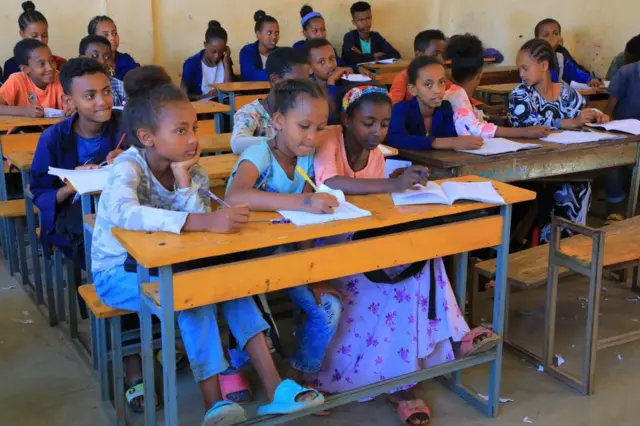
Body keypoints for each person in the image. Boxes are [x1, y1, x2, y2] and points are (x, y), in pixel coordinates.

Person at [90, 66, 324, 424]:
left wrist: (184, 180)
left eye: (194, 129)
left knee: (230, 283)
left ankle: (276, 388)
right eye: (180, 131)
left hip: (173, 266)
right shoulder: (128, 167)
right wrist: (202, 221)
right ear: (147, 137)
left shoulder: (192, 170)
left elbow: (200, 235)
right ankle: (214, 403)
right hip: (118, 274)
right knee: (192, 297)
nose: (192, 139)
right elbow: (126, 213)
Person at [311, 85, 500, 426]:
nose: (376, 131)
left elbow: (375, 200)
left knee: (425, 256)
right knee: (397, 281)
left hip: (364, 236)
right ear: (347, 119)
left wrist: (398, 181)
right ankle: (432, 359)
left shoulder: (376, 153)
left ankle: (420, 367)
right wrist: (391, 185)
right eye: (368, 123)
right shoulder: (329, 139)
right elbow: (331, 183)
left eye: (384, 124)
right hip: (331, 244)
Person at [226, 78, 343, 393]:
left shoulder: (306, 158)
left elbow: (303, 222)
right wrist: (303, 201)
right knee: (248, 315)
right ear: (278, 121)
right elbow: (235, 196)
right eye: (304, 126)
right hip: (245, 258)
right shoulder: (260, 155)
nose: (312, 136)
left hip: (286, 256)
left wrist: (311, 273)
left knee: (329, 307)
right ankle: (238, 365)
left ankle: (295, 377)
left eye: (320, 128)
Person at [510, 39, 610, 243]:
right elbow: (524, 123)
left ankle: (571, 244)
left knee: (581, 185)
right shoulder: (520, 94)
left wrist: (596, 115)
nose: (521, 74)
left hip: (569, 163)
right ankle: (548, 245)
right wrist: (567, 122)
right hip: (535, 167)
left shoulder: (566, 91)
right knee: (562, 189)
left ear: (544, 65)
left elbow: (581, 110)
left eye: (525, 68)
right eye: (519, 68)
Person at [30, 58, 123, 259]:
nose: (102, 101)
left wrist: (132, 159)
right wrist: (71, 186)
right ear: (69, 101)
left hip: (122, 207)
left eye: (106, 91)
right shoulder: (53, 139)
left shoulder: (125, 126)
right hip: (73, 216)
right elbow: (39, 193)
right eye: (90, 96)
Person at [444, 33, 551, 139]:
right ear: (480, 74)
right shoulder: (458, 95)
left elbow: (469, 120)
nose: (522, 74)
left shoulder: (456, 93)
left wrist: (489, 115)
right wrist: (524, 131)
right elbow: (474, 129)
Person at [387, 56, 483, 151]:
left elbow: (449, 137)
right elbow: (394, 139)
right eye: (428, 84)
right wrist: (450, 142)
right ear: (413, 89)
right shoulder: (401, 109)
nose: (437, 90)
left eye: (441, 82)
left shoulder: (445, 108)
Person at [231, 47, 310, 154]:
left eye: (305, 84)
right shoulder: (251, 113)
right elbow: (237, 144)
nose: (301, 90)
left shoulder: (300, 112)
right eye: (295, 83)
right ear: (274, 80)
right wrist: (281, 142)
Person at [602, 34, 640, 223]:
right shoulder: (626, 72)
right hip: (623, 130)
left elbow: (609, 109)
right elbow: (609, 111)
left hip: (629, 134)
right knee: (612, 154)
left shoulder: (626, 70)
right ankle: (616, 206)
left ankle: (618, 207)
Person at [293, 5, 374, 77]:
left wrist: (358, 68)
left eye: (323, 29)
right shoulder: (298, 48)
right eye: (315, 31)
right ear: (305, 33)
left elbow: (341, 65)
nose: (320, 35)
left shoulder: (328, 47)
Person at [0, 39, 70, 117]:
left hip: (54, 125)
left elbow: (70, 104)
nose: (50, 68)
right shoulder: (17, 80)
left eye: (51, 61)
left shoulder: (59, 77)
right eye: (42, 64)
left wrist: (72, 107)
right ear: (25, 69)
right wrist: (23, 111)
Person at [2, 1, 67, 82]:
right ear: (22, 34)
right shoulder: (10, 65)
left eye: (44, 35)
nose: (40, 40)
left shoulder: (59, 63)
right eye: (34, 36)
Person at [534, 18, 602, 87]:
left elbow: (576, 74)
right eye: (545, 35)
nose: (551, 38)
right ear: (537, 40)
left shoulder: (560, 59)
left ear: (560, 37)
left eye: (555, 34)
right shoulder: (530, 58)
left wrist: (590, 79)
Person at [389, 30, 447, 105]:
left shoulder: (444, 79)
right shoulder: (404, 78)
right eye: (435, 54)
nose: (442, 60)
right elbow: (394, 107)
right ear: (418, 55)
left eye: (444, 55)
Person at [304, 39, 353, 125]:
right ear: (310, 69)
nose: (330, 65)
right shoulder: (307, 92)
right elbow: (331, 120)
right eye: (321, 62)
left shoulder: (345, 83)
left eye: (332, 58)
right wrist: (331, 83)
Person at [181, 20, 233, 101]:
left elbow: (229, 91)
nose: (217, 56)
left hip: (223, 105)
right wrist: (205, 96)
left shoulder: (225, 60)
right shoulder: (191, 64)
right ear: (205, 45)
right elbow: (183, 95)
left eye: (221, 52)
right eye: (213, 51)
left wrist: (226, 63)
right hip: (200, 106)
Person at [341, 1, 401, 67]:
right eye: (361, 20)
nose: (366, 23)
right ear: (354, 22)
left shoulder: (376, 36)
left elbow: (396, 55)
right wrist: (373, 56)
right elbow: (350, 59)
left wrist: (363, 56)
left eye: (368, 18)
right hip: (356, 73)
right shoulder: (349, 37)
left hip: (376, 72)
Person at [79, 35, 127, 107]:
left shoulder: (120, 87)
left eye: (107, 57)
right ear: (81, 59)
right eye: (95, 56)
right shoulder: (74, 86)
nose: (102, 61)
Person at [87, 15, 139, 80]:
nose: (112, 38)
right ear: (93, 39)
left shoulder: (126, 61)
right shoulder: (88, 65)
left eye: (114, 33)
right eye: (106, 35)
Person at [240, 10, 280, 81]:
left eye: (277, 33)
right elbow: (251, 77)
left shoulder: (281, 53)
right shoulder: (247, 51)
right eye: (269, 32)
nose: (274, 36)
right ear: (258, 34)